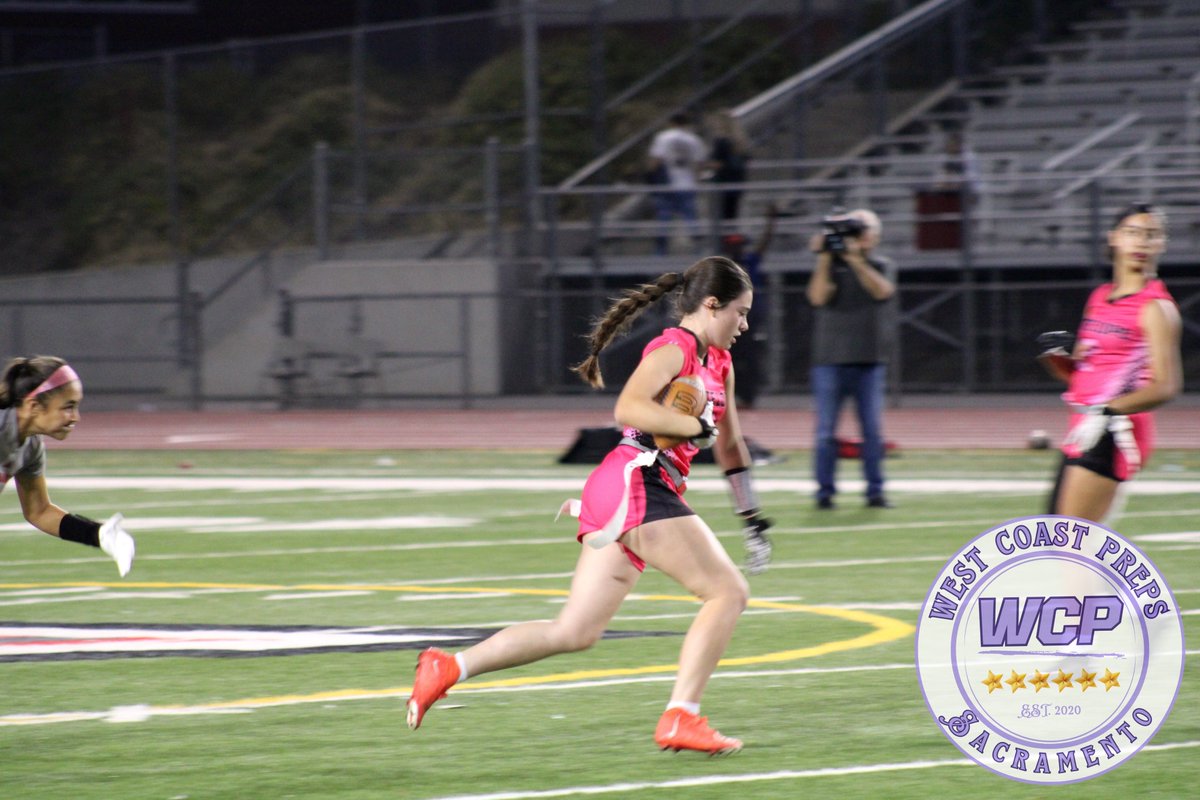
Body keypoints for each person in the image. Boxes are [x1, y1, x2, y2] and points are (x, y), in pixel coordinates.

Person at [406, 256, 774, 754]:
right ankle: (681, 716)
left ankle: (448, 667)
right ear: (711, 305)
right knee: (728, 592)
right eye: (741, 312)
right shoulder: (675, 346)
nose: (745, 325)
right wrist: (692, 426)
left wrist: (749, 513)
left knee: (574, 631)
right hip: (636, 481)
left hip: (624, 489)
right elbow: (628, 407)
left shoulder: (719, 362)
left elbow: (730, 446)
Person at [1039, 203, 1182, 523]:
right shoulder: (1100, 297)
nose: (1141, 242)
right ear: (1114, 238)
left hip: (1116, 430)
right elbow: (1083, 376)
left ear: (1161, 244)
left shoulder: (1156, 307)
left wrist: (1108, 411)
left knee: (1071, 544)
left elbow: (1166, 385)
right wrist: (1057, 360)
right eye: (1132, 233)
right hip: (1084, 426)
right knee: (1056, 540)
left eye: (1151, 235)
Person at [0, 355, 135, 576]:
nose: (75, 417)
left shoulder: (30, 447)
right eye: (68, 407)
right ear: (34, 405)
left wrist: (98, 535)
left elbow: (39, 511)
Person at [806, 208, 897, 510]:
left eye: (863, 230)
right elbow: (818, 297)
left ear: (875, 236)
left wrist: (856, 260)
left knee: (872, 431)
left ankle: (875, 491)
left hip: (869, 360)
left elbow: (882, 291)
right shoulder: (829, 266)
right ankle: (824, 493)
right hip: (829, 359)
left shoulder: (880, 264)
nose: (859, 236)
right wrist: (824, 257)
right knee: (824, 432)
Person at [719, 203, 777, 409]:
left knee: (750, 357)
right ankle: (730, 395)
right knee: (729, 357)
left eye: (739, 245)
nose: (737, 249)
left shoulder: (749, 262)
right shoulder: (723, 268)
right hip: (730, 319)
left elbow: (764, 243)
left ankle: (748, 396)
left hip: (749, 317)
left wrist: (771, 222)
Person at [646, 112, 707, 255]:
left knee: (664, 219)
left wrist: (650, 177)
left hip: (667, 185)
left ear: (672, 122)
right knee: (691, 219)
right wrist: (696, 182)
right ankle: (698, 254)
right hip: (687, 184)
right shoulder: (694, 139)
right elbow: (699, 165)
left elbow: (656, 160)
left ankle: (660, 254)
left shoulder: (664, 137)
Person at [707, 109, 752, 222]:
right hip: (738, 180)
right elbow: (747, 159)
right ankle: (732, 237)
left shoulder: (721, 141)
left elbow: (718, 163)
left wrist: (706, 166)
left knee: (722, 215)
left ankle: (724, 238)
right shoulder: (741, 141)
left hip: (723, 182)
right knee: (733, 213)